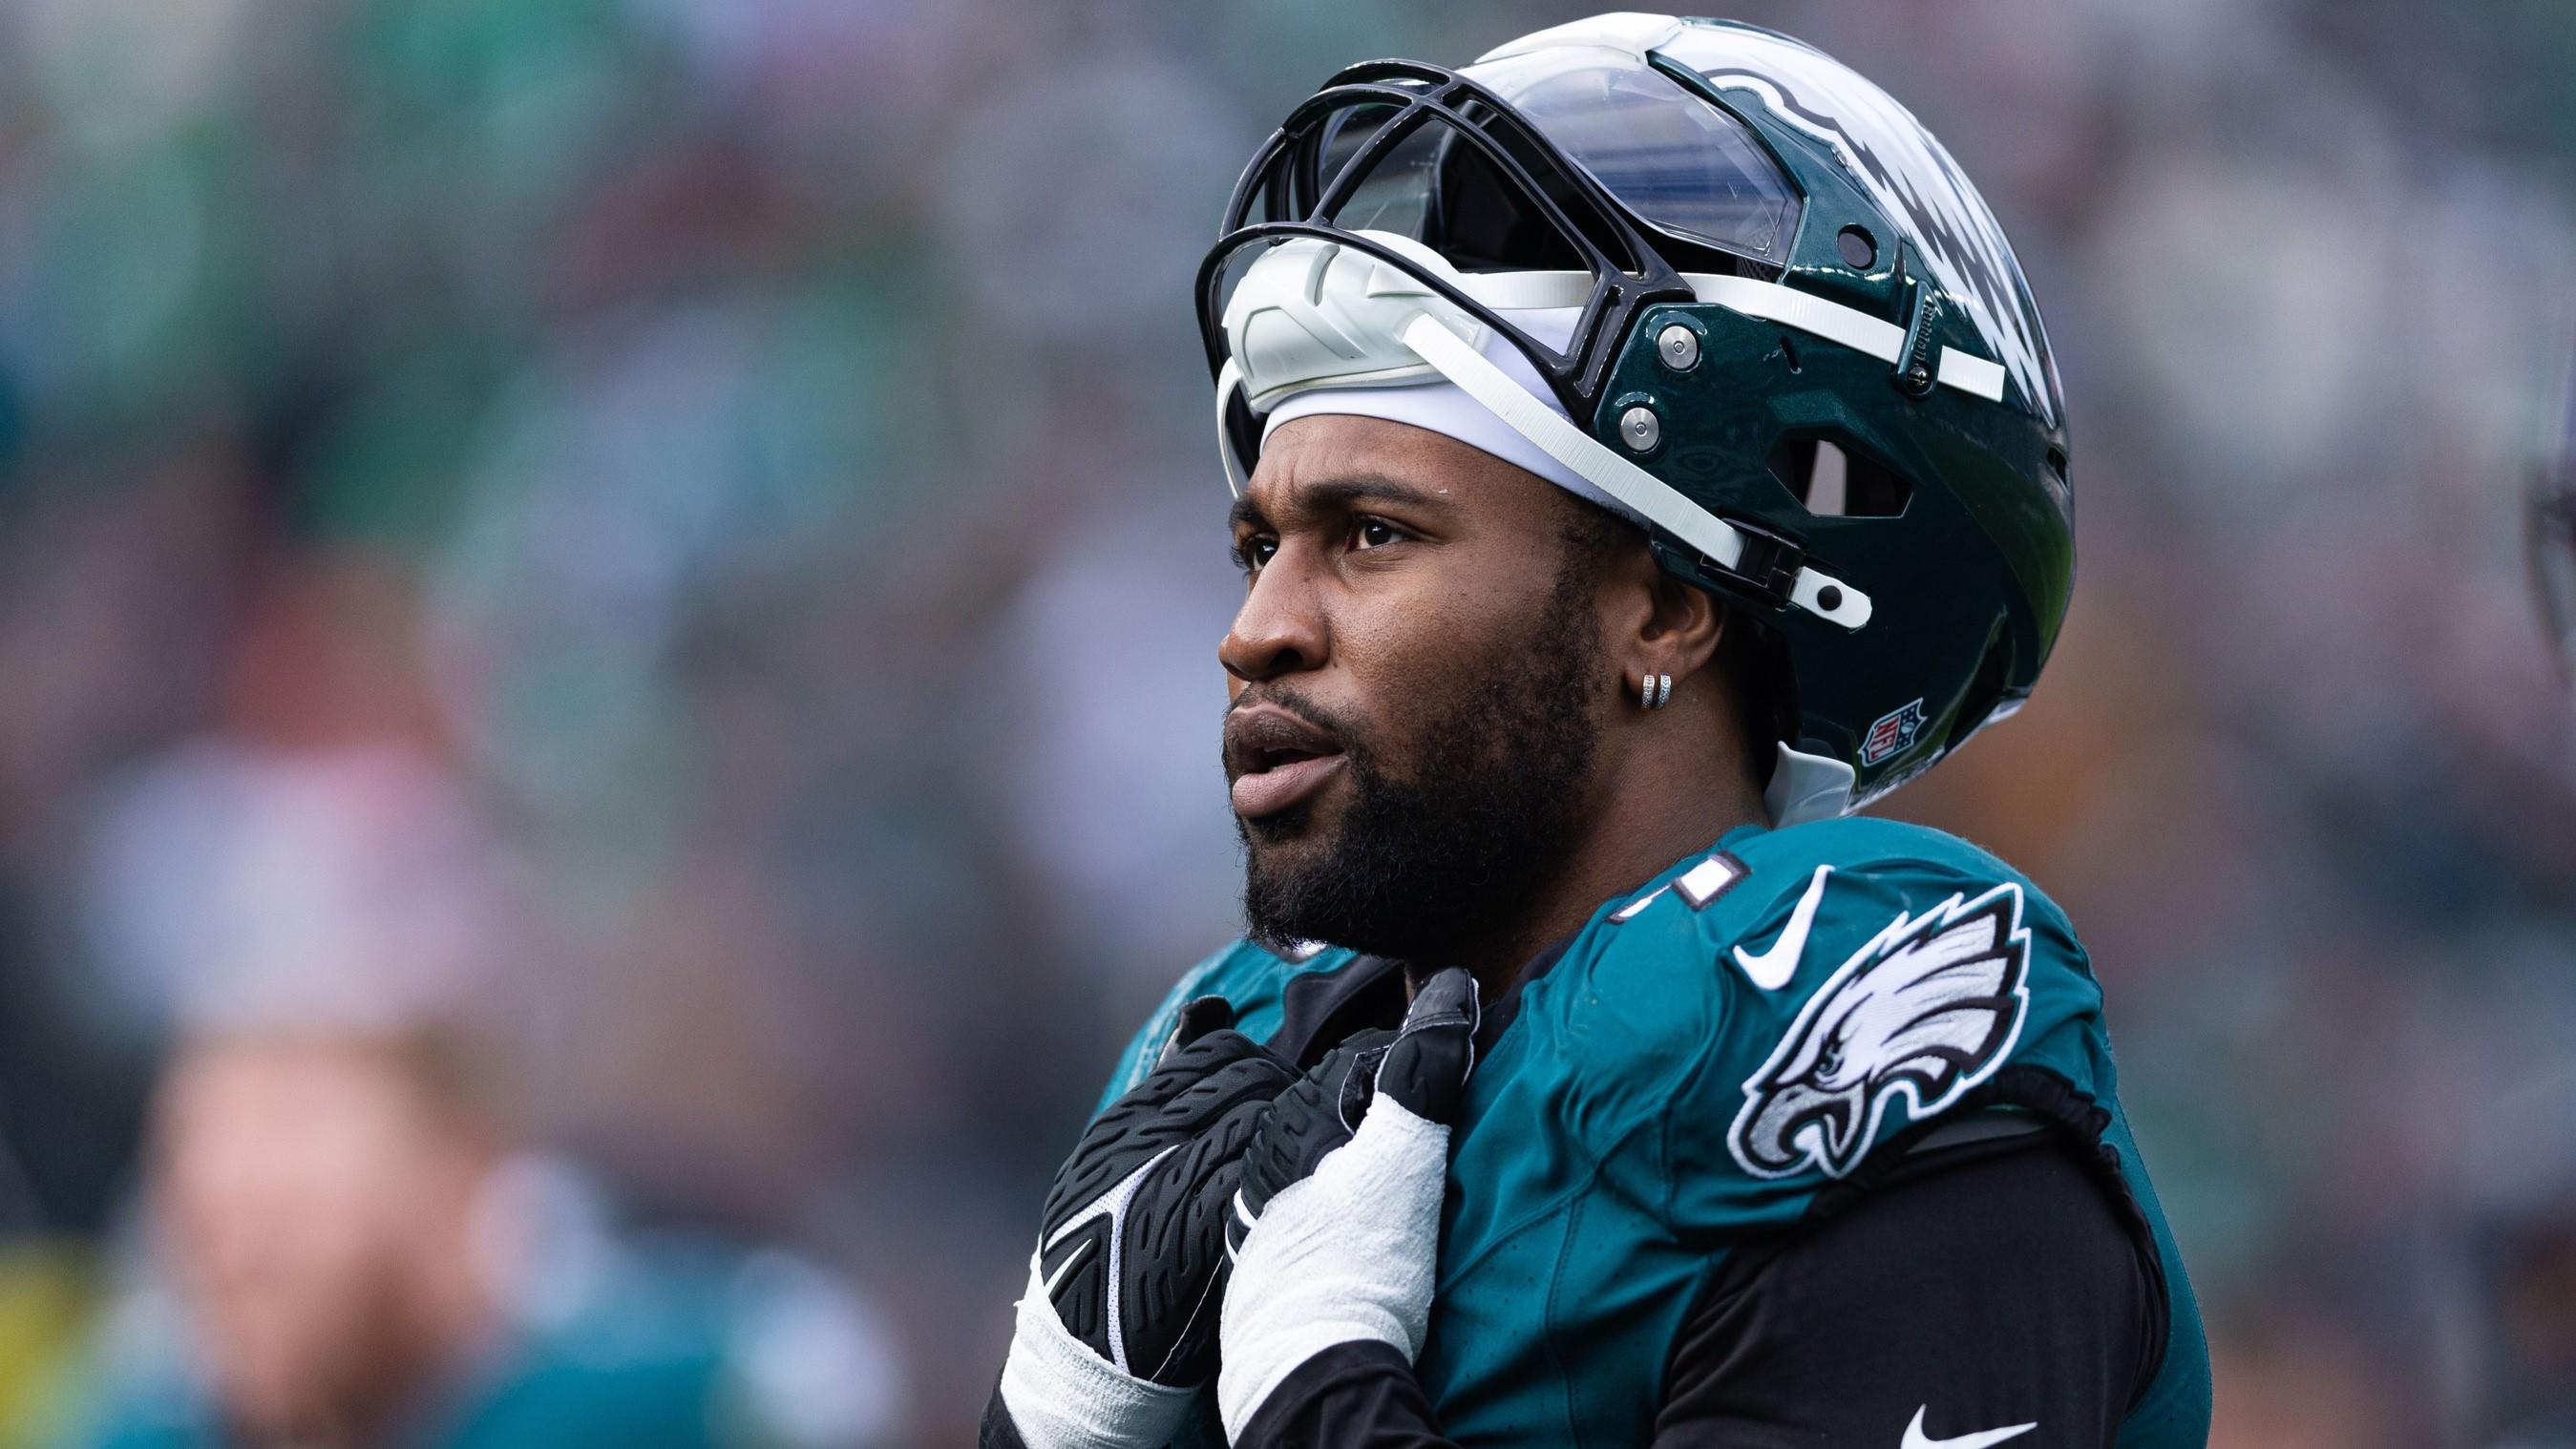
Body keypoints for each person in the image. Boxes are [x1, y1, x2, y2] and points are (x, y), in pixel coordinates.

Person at [983, 14, 2210, 1448]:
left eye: (1371, 534)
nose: (1258, 626)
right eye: (1258, 544)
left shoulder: (1842, 1035)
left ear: (1664, 607)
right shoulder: (1243, 1059)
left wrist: (1320, 1396)